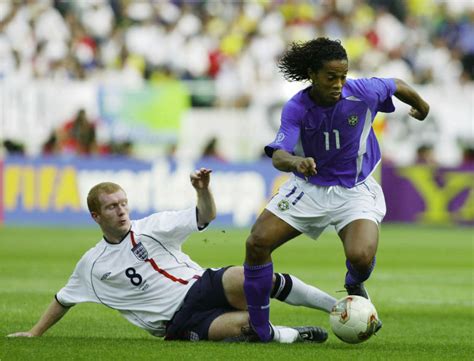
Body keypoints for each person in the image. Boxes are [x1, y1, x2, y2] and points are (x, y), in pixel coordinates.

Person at [7, 168, 337, 343]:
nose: (121, 211)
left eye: (123, 203)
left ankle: (336, 307)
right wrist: (35, 333)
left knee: (247, 276)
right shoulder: (92, 265)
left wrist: (202, 190)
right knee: (252, 328)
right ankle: (298, 336)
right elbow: (64, 299)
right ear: (96, 216)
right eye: (112, 207)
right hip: (178, 324)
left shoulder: (154, 226)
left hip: (201, 287)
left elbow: (204, 216)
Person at [243, 37, 430, 342]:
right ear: (312, 74)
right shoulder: (297, 107)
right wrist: (296, 163)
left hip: (355, 189)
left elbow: (396, 84)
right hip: (309, 187)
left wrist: (421, 105)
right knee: (256, 243)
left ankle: (354, 283)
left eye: (343, 76)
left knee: (360, 255)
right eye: (331, 77)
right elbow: (279, 153)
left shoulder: (364, 92)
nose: (339, 84)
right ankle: (259, 329)